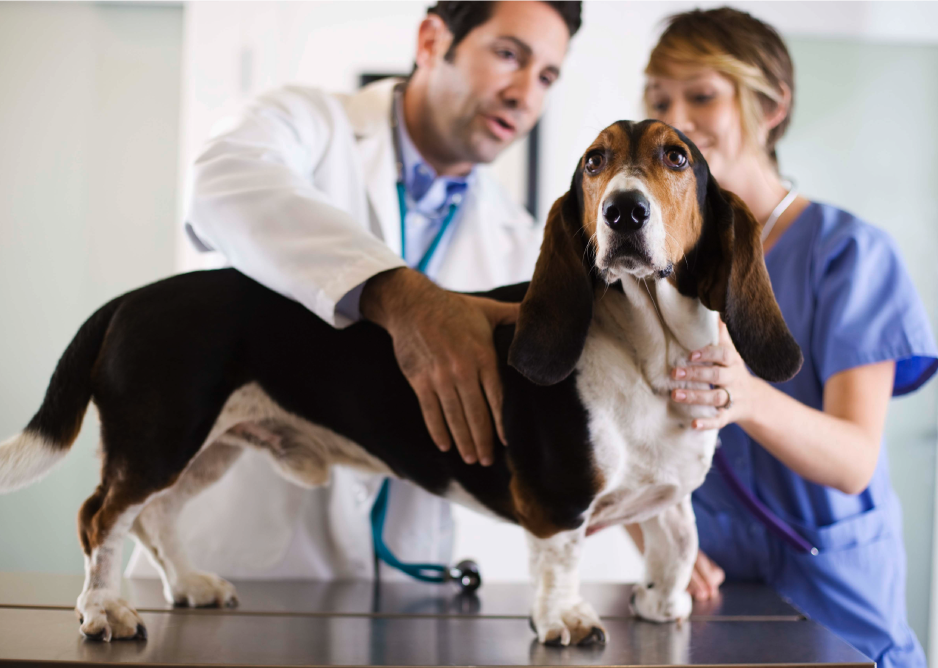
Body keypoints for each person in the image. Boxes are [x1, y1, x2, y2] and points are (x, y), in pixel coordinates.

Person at [125, 0, 581, 581]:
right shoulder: (307, 122)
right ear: (431, 40)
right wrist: (399, 296)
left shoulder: (519, 243)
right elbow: (222, 183)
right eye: (508, 54)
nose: (525, 94)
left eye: (546, 76)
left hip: (408, 591)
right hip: (238, 574)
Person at [636, 8, 938, 668]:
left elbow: (855, 457)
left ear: (771, 105)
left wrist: (744, 397)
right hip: (712, 604)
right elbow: (625, 429)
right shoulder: (657, 262)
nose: (674, 119)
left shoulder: (848, 256)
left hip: (837, 600)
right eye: (659, 99)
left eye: (702, 94)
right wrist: (656, 541)